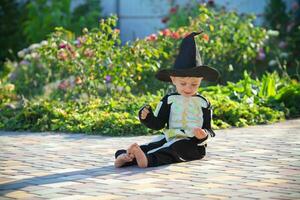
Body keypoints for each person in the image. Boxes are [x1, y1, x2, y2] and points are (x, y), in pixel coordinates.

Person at [114, 32, 219, 168]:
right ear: (173, 80)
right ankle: (125, 156)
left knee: (175, 149)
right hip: (170, 136)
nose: (188, 88)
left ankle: (146, 160)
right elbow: (158, 124)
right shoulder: (169, 100)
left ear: (201, 81)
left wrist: (203, 135)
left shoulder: (204, 103)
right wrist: (147, 118)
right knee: (154, 145)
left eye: (194, 84)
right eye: (183, 84)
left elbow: (209, 129)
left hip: (193, 143)